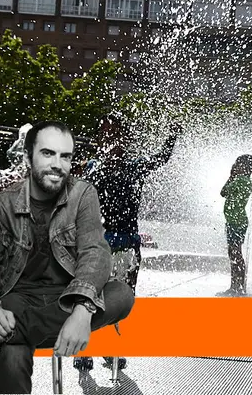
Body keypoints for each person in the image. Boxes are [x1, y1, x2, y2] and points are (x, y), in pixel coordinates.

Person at [0, 121, 135, 394]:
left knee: (122, 294)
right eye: (48, 153)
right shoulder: (3, 203)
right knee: (10, 329)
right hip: (20, 297)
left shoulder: (83, 195)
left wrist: (83, 310)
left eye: (65, 156)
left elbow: (95, 252)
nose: (57, 164)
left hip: (68, 300)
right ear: (27, 157)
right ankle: (1, 331)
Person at [75, 112, 181, 371]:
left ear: (124, 137)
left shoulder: (135, 166)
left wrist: (173, 136)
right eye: (105, 133)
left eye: (115, 132)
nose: (110, 138)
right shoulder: (92, 168)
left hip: (128, 244)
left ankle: (111, 348)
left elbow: (162, 158)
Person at [217, 154, 252, 297]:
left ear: (245, 167)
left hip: (236, 222)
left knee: (235, 254)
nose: (235, 166)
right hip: (235, 221)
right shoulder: (244, 180)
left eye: (237, 164)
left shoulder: (241, 180)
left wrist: (231, 176)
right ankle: (238, 286)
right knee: (235, 253)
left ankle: (236, 287)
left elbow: (223, 192)